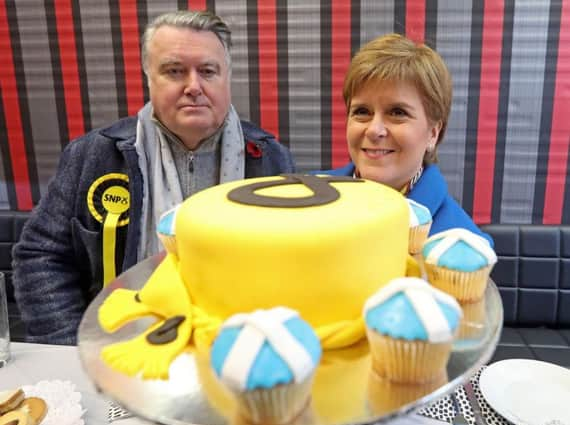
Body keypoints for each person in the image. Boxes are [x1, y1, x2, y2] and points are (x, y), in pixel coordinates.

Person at [12, 10, 295, 345]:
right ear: (149, 79)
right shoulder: (93, 157)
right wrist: (72, 348)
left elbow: (291, 267)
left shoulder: (269, 160)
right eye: (174, 71)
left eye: (207, 71)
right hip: (119, 348)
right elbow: (41, 256)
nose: (194, 86)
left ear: (226, 78)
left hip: (234, 352)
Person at [317, 33, 492, 245]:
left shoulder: (463, 247)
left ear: (433, 134)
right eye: (362, 111)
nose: (374, 130)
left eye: (397, 112)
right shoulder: (307, 196)